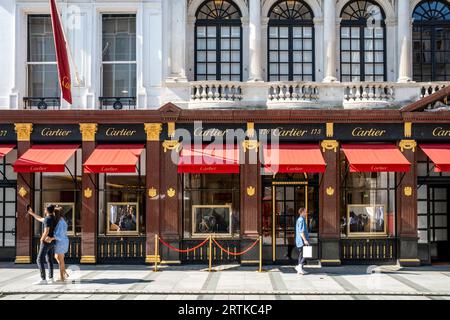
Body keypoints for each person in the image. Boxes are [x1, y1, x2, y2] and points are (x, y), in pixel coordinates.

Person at [27, 204, 57, 284]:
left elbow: (46, 230)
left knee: (39, 259)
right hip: (52, 242)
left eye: (45, 209)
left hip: (46, 242)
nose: (44, 210)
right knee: (49, 260)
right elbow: (40, 218)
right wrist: (32, 213)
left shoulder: (47, 219)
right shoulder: (53, 218)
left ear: (47, 210)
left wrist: (42, 239)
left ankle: (43, 279)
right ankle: (51, 278)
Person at [45, 207, 69, 282]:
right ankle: (64, 273)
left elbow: (59, 235)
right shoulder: (62, 221)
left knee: (60, 260)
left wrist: (51, 238)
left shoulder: (60, 222)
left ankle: (62, 277)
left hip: (61, 243)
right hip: (62, 242)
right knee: (58, 258)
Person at [295, 207, 310, 275]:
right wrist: (305, 240)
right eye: (305, 212)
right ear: (302, 212)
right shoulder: (301, 220)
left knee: (301, 255)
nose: (306, 213)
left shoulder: (300, 219)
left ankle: (300, 270)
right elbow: (301, 232)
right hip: (301, 240)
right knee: (307, 253)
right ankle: (299, 266)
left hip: (299, 240)